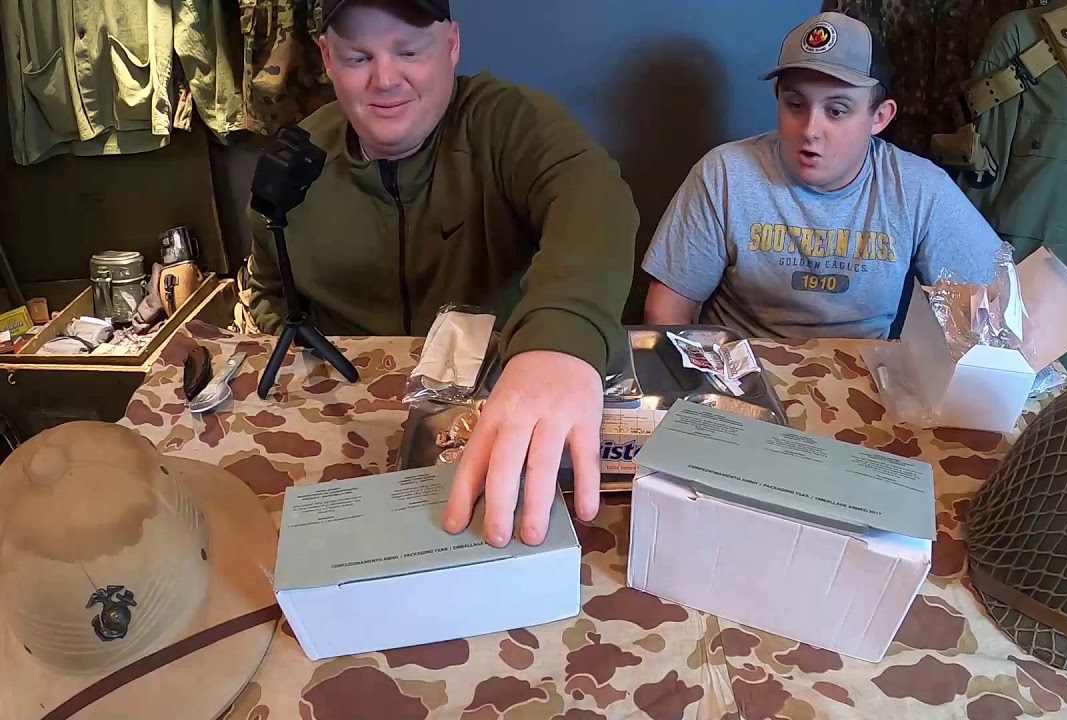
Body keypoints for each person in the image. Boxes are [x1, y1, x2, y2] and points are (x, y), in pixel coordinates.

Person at [245, 0, 639, 548]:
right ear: (327, 59)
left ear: (451, 45)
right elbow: (267, 293)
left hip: (496, 424)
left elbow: (593, 197)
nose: (386, 80)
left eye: (408, 52)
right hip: (340, 441)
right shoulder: (296, 165)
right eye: (359, 58)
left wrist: (560, 340)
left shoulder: (504, 123)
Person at [642, 12, 1001, 340]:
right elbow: (666, 311)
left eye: (837, 111)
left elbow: (995, 306)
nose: (810, 130)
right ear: (777, 97)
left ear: (879, 117)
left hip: (862, 379)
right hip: (742, 375)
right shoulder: (724, 175)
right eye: (795, 105)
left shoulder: (919, 189)